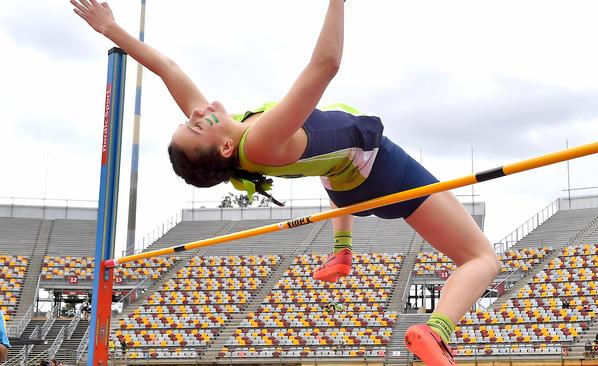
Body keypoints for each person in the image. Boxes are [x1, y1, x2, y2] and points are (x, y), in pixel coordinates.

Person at [70, 1, 500, 364]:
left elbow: (168, 68)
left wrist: (111, 29)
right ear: (221, 149)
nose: (197, 114)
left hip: (348, 185)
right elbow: (325, 65)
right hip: (380, 169)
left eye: (191, 118)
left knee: (331, 166)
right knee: (481, 258)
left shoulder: (234, 136)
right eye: (198, 126)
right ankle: (436, 330)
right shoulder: (261, 141)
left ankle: (342, 252)